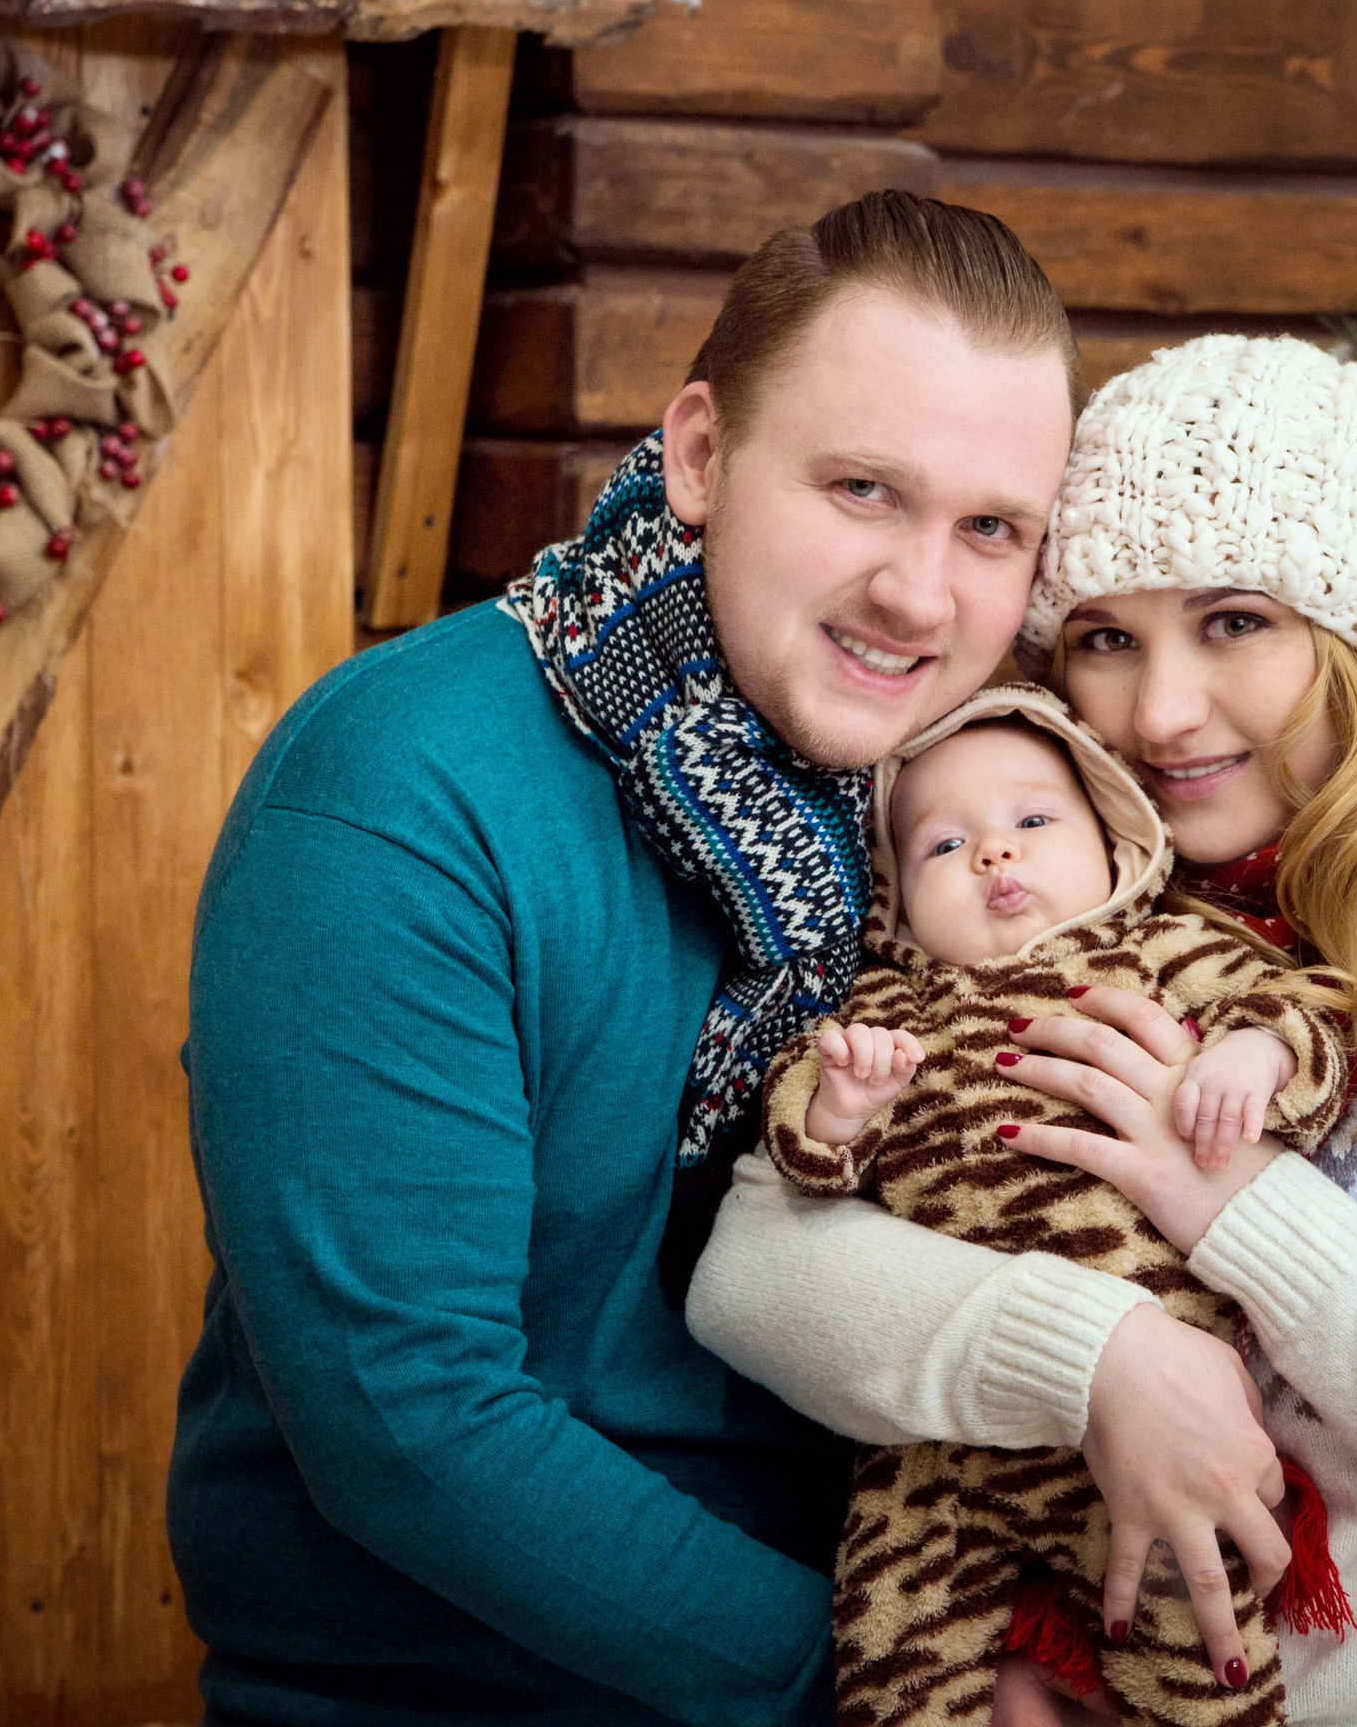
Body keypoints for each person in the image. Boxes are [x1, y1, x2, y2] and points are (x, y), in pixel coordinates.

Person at [689, 334, 1357, 1727]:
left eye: (1236, 622)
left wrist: (1247, 1212)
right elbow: (754, 1269)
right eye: (1104, 639)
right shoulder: (1054, 912)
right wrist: (1099, 1359)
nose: (1160, 712)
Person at [169, 191, 1096, 1724]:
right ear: (702, 454)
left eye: (990, 528)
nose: (923, 594)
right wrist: (892, 1684)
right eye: (864, 489)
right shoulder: (399, 790)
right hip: (468, 1698)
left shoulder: (960, 812)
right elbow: (411, 1426)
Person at [762, 686, 1354, 1727]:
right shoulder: (889, 1007)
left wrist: (1256, 1055)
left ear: (1114, 841)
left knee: (1199, 1645)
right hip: (930, 1441)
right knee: (891, 1653)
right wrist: (843, 1108)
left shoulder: (1159, 952)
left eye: (1033, 822)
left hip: (1155, 1438)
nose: (994, 854)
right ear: (895, 895)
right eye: (945, 844)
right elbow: (803, 1156)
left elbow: (1305, 1016)